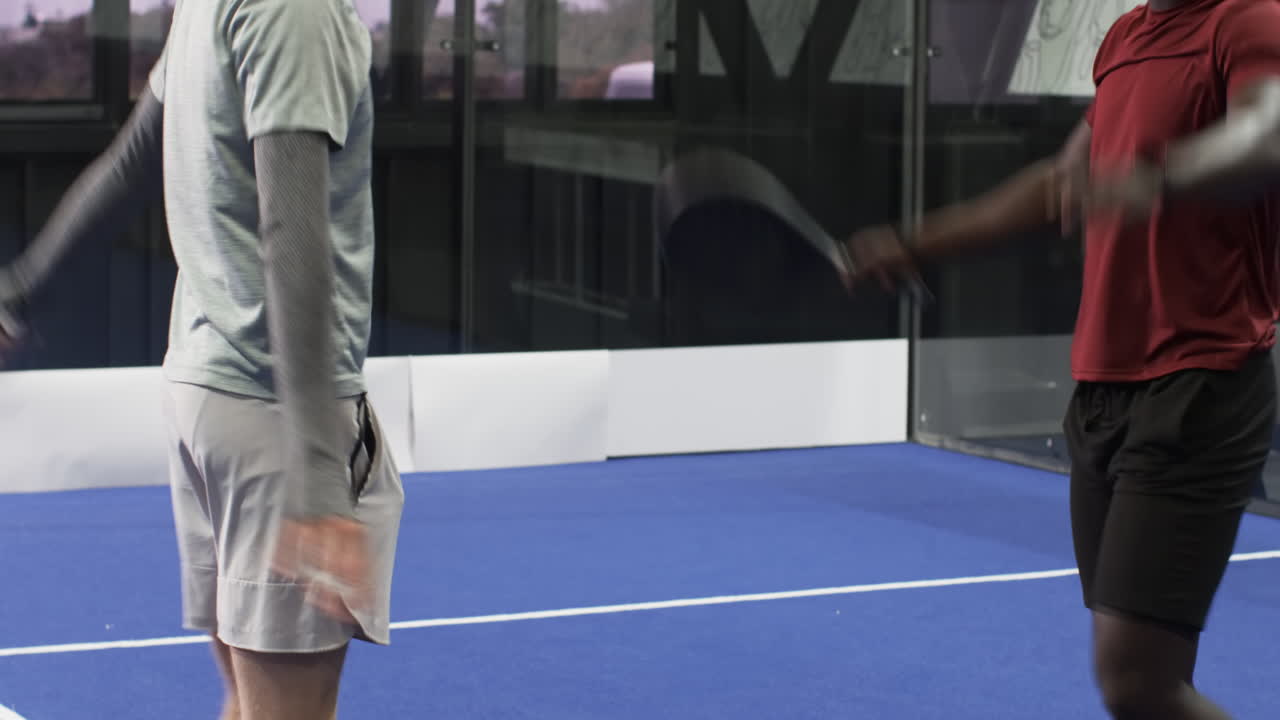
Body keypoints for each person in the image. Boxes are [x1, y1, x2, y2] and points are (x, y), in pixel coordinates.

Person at [847, 0, 1280, 718]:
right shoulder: (1126, 38)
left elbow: (1267, 134)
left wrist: (1160, 176)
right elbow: (1062, 185)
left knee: (1137, 681)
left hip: (1202, 381)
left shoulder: (1247, 19)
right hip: (1105, 389)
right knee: (1141, 680)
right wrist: (917, 241)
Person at [0, 0, 404, 718]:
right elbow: (291, 231)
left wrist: (20, 292)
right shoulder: (295, 10)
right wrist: (317, 478)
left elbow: (129, 162)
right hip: (273, 414)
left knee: (250, 704)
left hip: (208, 392)